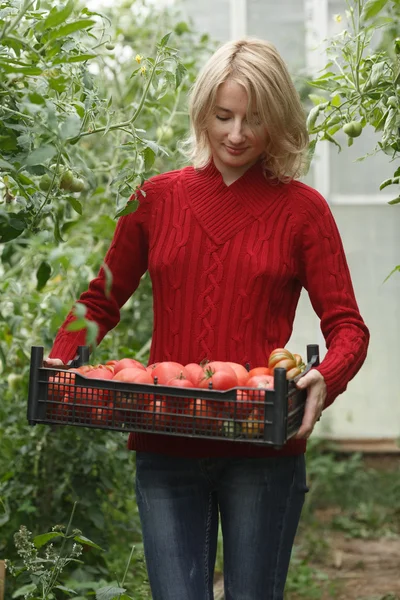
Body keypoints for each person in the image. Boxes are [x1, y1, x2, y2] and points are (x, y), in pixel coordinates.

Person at [46, 38, 369, 599]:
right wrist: (63, 355)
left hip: (264, 449)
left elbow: (347, 326)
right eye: (223, 116)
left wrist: (328, 375)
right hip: (166, 440)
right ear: (203, 112)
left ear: (280, 123)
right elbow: (101, 300)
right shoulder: (156, 198)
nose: (237, 134)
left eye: (254, 119)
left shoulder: (301, 211)